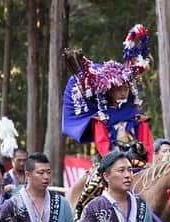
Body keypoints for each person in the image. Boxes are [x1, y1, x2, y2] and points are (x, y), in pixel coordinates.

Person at [62, 24, 154, 162]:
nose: (123, 93)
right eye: (118, 89)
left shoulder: (137, 116)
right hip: (112, 165)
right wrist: (115, 164)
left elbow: (148, 144)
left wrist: (147, 162)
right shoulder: (101, 118)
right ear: (109, 92)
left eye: (126, 89)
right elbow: (103, 146)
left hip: (139, 163)